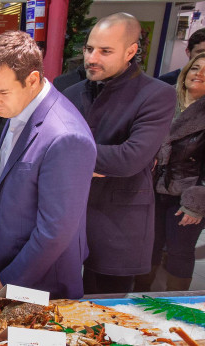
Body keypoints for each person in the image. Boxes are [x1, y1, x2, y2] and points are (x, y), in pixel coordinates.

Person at [63, 13, 175, 294]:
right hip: (66, 216)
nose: (92, 58)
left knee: (105, 310)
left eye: (105, 51)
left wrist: (70, 157)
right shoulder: (71, 90)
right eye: (89, 49)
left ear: (131, 51)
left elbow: (130, 159)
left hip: (117, 221)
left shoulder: (156, 94)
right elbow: (50, 145)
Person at [0, 32, 96, 299]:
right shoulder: (19, 105)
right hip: (7, 259)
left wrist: (11, 278)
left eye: (1, 92)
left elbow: (55, 231)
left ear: (32, 80)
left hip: (39, 279)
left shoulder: (66, 136)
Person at [135, 53, 205, 292]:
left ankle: (177, 303)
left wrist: (197, 201)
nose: (199, 74)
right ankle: (139, 298)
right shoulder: (164, 102)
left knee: (179, 251)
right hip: (153, 189)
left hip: (187, 195)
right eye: (195, 68)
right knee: (148, 246)